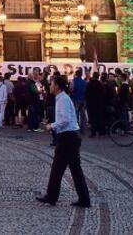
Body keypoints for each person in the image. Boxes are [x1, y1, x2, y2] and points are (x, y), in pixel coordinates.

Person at [36, 75, 91, 208]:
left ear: (57, 86)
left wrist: (51, 126)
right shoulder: (62, 98)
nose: (50, 86)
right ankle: (84, 199)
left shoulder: (63, 99)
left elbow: (65, 120)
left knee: (58, 168)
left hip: (68, 137)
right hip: (70, 136)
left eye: (51, 83)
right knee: (74, 169)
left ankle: (52, 196)